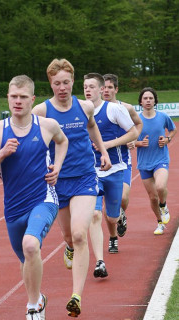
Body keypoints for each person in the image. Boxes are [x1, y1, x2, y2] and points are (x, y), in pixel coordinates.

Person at [0, 75, 68, 320]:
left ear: (32, 100)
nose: (18, 101)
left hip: (44, 198)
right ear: (8, 97)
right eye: (13, 96)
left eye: (23, 97)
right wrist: (2, 153)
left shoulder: (47, 125)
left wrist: (57, 168)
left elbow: (63, 142)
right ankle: (38, 297)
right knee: (25, 259)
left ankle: (32, 307)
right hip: (13, 208)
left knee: (31, 245)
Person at [32, 59, 111, 317]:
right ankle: (68, 247)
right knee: (68, 237)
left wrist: (102, 150)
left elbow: (91, 126)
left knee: (80, 234)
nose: (62, 88)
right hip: (57, 182)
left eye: (66, 82)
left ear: (73, 81)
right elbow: (31, 138)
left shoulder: (85, 106)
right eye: (57, 83)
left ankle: (76, 296)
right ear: (50, 84)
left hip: (85, 177)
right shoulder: (42, 111)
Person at [83, 73, 138, 278]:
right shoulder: (80, 111)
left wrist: (108, 144)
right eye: (84, 86)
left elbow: (133, 132)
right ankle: (100, 262)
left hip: (115, 169)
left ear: (101, 90)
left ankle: (118, 217)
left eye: (91, 87)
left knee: (111, 216)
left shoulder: (114, 109)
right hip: (91, 172)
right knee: (95, 215)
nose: (87, 90)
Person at [103, 74, 143, 237]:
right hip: (100, 162)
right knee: (105, 205)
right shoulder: (93, 109)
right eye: (104, 87)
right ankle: (113, 237)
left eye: (110, 87)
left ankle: (120, 215)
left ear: (116, 89)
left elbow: (138, 124)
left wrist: (134, 138)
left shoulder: (126, 108)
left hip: (122, 160)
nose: (106, 90)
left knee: (123, 198)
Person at [135, 87, 177, 234]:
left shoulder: (163, 116)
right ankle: (160, 223)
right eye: (145, 98)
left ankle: (164, 205)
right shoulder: (136, 119)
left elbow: (173, 129)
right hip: (144, 163)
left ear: (155, 101)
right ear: (140, 101)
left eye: (150, 98)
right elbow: (129, 140)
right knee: (152, 198)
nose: (148, 101)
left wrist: (167, 139)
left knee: (160, 187)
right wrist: (139, 143)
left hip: (161, 159)